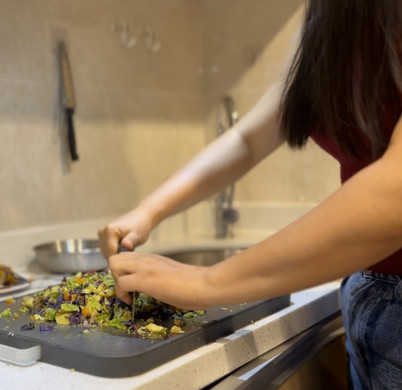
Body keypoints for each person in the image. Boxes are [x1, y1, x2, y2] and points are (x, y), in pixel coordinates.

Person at [98, 1, 402, 389]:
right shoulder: (326, 15)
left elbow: (396, 189)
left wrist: (206, 283)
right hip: (367, 292)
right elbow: (247, 139)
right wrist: (146, 212)